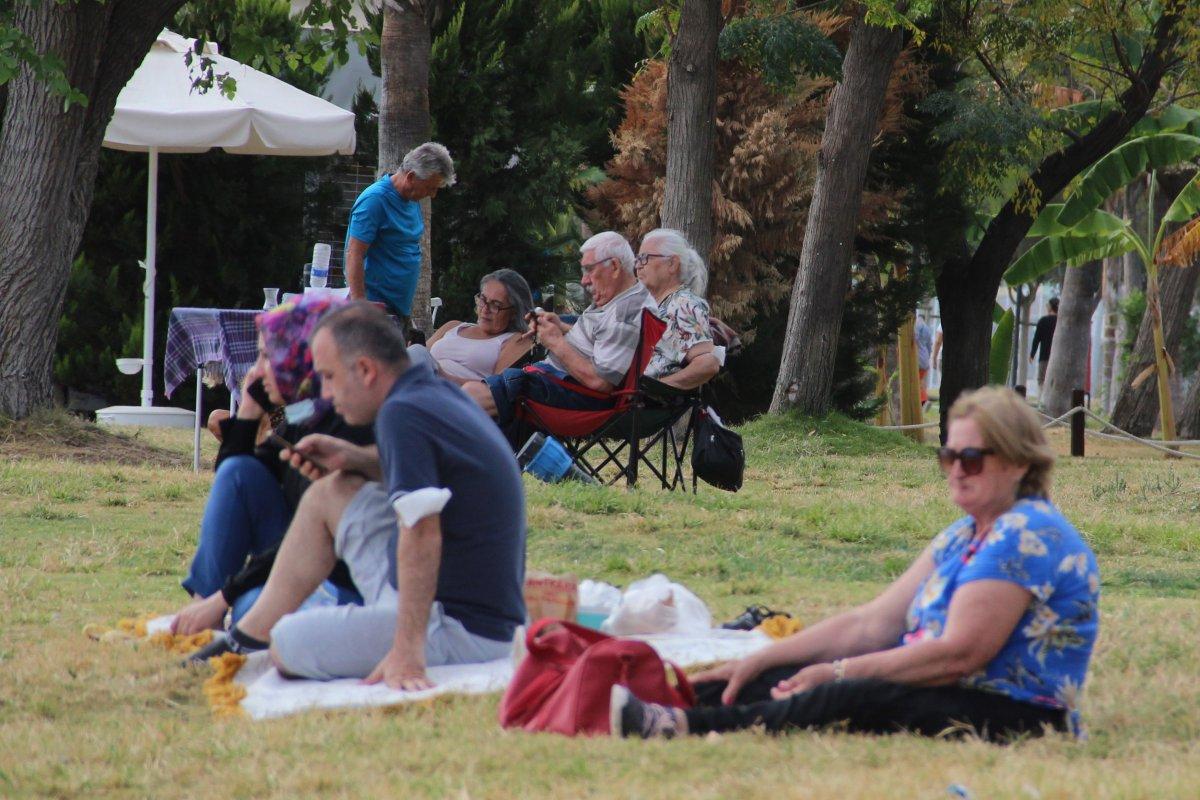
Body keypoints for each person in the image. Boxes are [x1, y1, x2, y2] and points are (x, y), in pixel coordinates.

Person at [612, 386, 1099, 743]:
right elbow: (872, 622)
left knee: (847, 691)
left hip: (1013, 715)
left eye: (970, 458)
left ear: (1018, 463)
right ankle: (643, 703)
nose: (955, 469)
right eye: (947, 455)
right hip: (948, 685)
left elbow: (959, 655)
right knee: (774, 677)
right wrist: (761, 656)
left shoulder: (1026, 535)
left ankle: (676, 726)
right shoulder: (968, 532)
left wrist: (840, 672)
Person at [188, 303, 526, 689]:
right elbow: (438, 476)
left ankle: (263, 633)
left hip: (459, 626)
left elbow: (422, 530)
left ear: (365, 370)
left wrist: (407, 651)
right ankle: (246, 635)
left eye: (329, 377)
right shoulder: (426, 392)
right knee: (331, 492)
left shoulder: (403, 413)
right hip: (464, 605)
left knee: (287, 644)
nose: (325, 393)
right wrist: (355, 459)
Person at [173, 296, 373, 635]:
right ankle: (200, 604)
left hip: (341, 583)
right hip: (298, 562)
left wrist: (226, 597)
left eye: (268, 356)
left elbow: (305, 538)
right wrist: (249, 411)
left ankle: (215, 608)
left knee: (249, 610)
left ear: (299, 359)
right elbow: (234, 482)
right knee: (242, 472)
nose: (257, 368)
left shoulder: (347, 420)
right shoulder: (306, 411)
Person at [463, 231, 655, 426]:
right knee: (471, 396)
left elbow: (600, 382)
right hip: (559, 381)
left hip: (578, 395)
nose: (584, 280)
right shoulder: (623, 297)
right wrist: (561, 327)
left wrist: (555, 342)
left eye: (589, 270)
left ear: (614, 266)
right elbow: (602, 342)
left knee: (471, 396)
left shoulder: (625, 312)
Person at [344, 142, 456, 329]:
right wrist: (359, 306)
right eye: (430, 187)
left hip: (399, 309)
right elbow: (354, 253)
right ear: (411, 177)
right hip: (374, 309)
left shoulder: (411, 200)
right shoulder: (375, 200)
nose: (433, 195)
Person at [407, 269, 534, 385]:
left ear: (514, 312)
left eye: (495, 305)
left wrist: (441, 376)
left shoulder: (517, 339)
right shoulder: (453, 326)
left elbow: (497, 390)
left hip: (455, 400)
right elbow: (421, 355)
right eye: (483, 300)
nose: (485, 309)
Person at [635, 228, 720, 390]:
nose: (638, 266)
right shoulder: (655, 306)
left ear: (672, 264)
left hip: (650, 409)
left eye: (645, 258)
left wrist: (656, 389)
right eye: (637, 259)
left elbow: (708, 363)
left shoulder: (683, 304)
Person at [1030, 297, 1059, 387]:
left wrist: (1032, 354)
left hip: (1044, 356)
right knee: (1054, 382)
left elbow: (1036, 339)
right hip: (1058, 358)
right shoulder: (1061, 321)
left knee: (1042, 380)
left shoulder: (1043, 321)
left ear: (1050, 307)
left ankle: (1041, 399)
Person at [915, 313, 933, 406]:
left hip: (917, 358)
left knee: (917, 382)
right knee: (921, 381)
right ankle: (923, 400)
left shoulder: (917, 326)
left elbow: (915, 339)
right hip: (925, 358)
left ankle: (923, 400)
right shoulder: (928, 329)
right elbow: (930, 346)